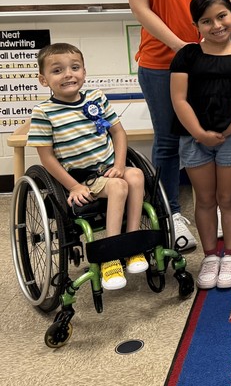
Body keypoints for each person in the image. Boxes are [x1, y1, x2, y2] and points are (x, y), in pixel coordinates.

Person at [120, 0, 231, 253]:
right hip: (160, 61)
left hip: (212, 56)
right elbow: (140, 7)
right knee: (169, 141)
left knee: (213, 133)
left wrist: (207, 43)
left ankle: (216, 207)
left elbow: (223, 0)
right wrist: (185, 48)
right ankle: (171, 213)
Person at [27, 43, 148, 291]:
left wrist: (120, 163)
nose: (68, 74)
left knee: (135, 175)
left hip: (107, 167)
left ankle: (132, 244)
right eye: (57, 70)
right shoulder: (44, 112)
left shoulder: (96, 98)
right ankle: (111, 258)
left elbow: (118, 133)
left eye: (75, 67)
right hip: (79, 178)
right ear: (43, 79)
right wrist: (72, 186)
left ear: (84, 71)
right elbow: (46, 158)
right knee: (117, 186)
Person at [169, 0, 231, 290]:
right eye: (206, 21)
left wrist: (226, 132)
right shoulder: (187, 55)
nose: (217, 25)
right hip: (194, 138)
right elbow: (179, 99)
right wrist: (200, 134)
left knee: (228, 198)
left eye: (222, 16)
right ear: (196, 26)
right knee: (205, 199)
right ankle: (211, 256)